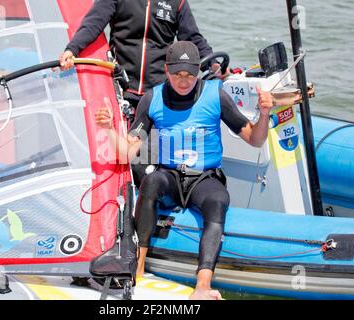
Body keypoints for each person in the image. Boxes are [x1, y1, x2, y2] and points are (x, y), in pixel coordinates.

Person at [95, 41, 274, 300]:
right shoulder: (152, 98)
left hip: (204, 178)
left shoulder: (215, 94)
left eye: (189, 74)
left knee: (218, 199)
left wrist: (265, 113)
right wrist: (108, 130)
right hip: (169, 177)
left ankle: (202, 285)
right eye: (177, 74)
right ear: (167, 71)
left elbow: (255, 139)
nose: (183, 80)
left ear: (197, 72)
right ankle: (139, 269)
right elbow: (127, 153)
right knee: (152, 181)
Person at [59, 0, 229, 108]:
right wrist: (72, 49)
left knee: (149, 158)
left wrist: (214, 64)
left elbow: (192, 38)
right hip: (121, 87)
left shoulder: (178, 2)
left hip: (158, 92)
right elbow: (93, 24)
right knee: (125, 153)